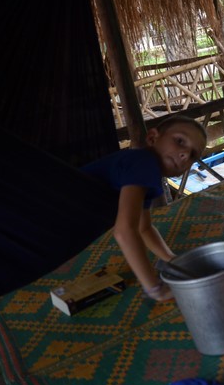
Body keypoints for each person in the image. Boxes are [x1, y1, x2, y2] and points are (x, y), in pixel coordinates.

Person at [82, 115, 208, 301]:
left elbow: (144, 228)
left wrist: (172, 260)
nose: (185, 154)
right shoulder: (144, 162)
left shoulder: (141, 170)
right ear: (152, 138)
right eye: (180, 141)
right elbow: (125, 231)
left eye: (193, 155)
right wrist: (156, 288)